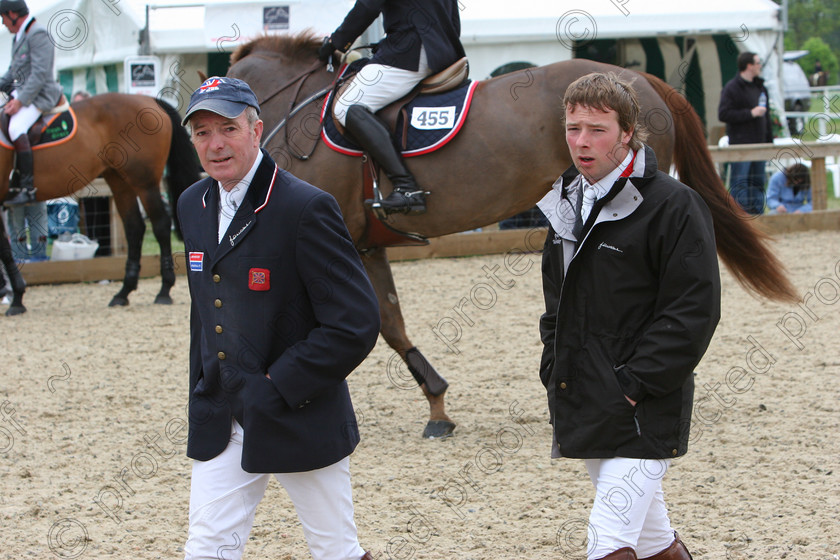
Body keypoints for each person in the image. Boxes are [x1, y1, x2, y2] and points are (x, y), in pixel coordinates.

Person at [177, 76, 381, 560]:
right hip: (222, 413)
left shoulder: (304, 206)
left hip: (298, 411)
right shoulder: (192, 204)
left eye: (227, 128)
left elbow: (355, 323)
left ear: (256, 129)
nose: (215, 144)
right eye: (202, 133)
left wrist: (276, 384)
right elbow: (205, 311)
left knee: (336, 551)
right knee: (205, 549)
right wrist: (204, 387)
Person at [537, 72, 721, 560]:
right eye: (573, 128)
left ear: (627, 131)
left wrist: (635, 383)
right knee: (652, 538)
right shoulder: (566, 204)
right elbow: (556, 302)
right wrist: (553, 367)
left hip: (642, 401)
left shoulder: (676, 206)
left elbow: (694, 309)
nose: (582, 141)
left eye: (597, 129)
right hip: (581, 392)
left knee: (608, 538)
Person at [318, 0, 465, 215]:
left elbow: (368, 6)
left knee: (346, 106)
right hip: (442, 50)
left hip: (411, 52)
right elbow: (451, 17)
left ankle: (406, 187)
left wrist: (335, 43)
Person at [0, 0, 64, 206]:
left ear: (11, 14)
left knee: (16, 127)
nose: (2, 23)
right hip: (24, 94)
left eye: (2, 18)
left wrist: (20, 102)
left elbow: (39, 73)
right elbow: (13, 72)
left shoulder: (37, 33)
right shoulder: (19, 37)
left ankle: (27, 188)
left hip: (41, 95)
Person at [718, 51, 773, 215]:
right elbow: (724, 114)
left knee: (758, 181)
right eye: (757, 63)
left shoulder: (760, 87)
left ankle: (758, 216)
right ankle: (739, 217)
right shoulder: (732, 88)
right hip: (741, 145)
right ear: (749, 66)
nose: (760, 66)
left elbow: (767, 117)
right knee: (740, 182)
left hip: (760, 143)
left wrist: (769, 142)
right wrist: (750, 113)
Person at [71, 90, 111, 255]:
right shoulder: (74, 132)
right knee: (88, 220)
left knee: (103, 218)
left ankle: (104, 253)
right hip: (85, 183)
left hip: (102, 181)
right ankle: (92, 254)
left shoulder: (100, 131)